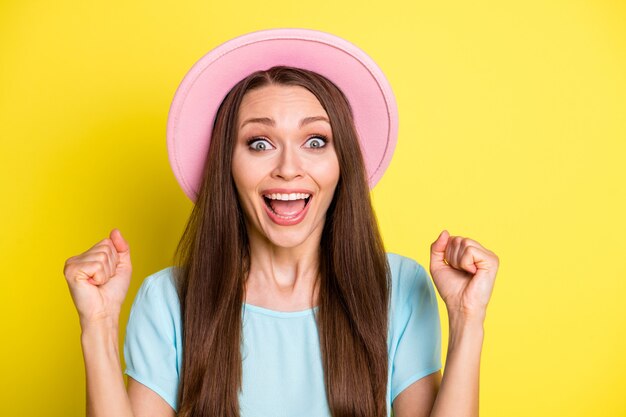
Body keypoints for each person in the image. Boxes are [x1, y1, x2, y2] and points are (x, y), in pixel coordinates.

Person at [63, 29, 499, 417]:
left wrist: (466, 320)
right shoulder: (168, 300)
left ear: (342, 162)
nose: (289, 168)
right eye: (259, 143)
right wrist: (98, 326)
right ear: (226, 166)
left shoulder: (400, 287)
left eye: (315, 141)